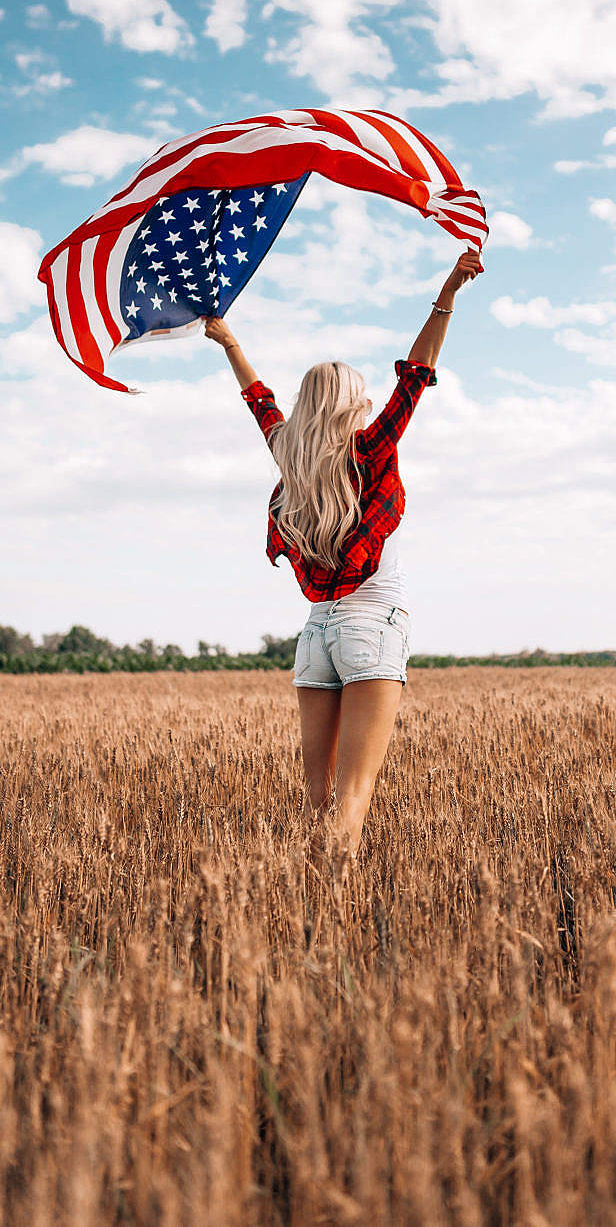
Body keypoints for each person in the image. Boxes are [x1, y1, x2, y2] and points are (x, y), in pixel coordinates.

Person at [204, 248, 483, 862]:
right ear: (352, 403)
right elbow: (415, 374)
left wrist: (229, 342)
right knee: (352, 800)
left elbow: (260, 401)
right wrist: (449, 292)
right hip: (373, 625)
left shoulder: (292, 459)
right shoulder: (370, 449)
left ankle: (305, 911)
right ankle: (337, 919)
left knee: (316, 800)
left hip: (316, 635)